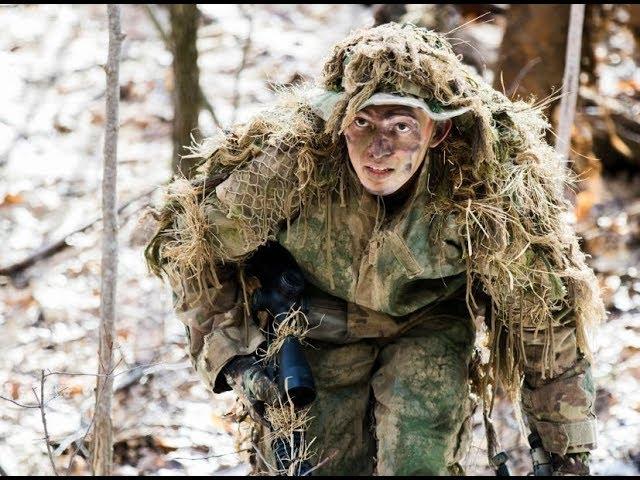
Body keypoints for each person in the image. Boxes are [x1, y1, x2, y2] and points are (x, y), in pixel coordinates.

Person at [146, 23, 603, 475]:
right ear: (339, 120)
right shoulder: (288, 167)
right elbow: (190, 250)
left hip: (430, 322)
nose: (378, 148)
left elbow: (546, 317)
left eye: (402, 126)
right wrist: (237, 354)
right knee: (315, 462)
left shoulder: (486, 189)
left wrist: (566, 455)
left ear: (436, 133)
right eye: (362, 122)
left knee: (418, 457)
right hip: (315, 320)